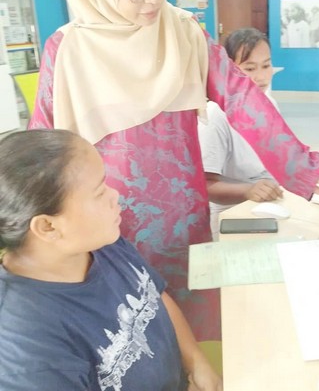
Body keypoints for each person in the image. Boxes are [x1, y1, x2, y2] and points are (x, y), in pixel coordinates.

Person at [29, 0, 319, 342]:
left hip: (180, 212)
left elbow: (239, 96)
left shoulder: (182, 31)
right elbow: (41, 146)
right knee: (127, 328)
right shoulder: (67, 48)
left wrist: (301, 165)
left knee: (193, 317)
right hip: (107, 217)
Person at [0, 129, 222, 391]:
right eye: (99, 192)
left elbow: (153, 295)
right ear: (48, 227)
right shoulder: (27, 347)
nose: (114, 194)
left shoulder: (102, 244)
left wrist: (196, 363)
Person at [198, 28, 283, 239]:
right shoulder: (216, 116)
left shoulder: (269, 103)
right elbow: (205, 185)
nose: (261, 77)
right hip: (231, 215)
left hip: (267, 204)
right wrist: (248, 190)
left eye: (266, 66)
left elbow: (278, 156)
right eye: (250, 68)